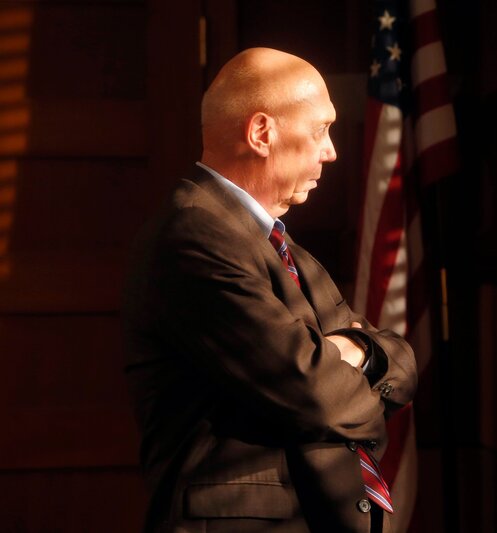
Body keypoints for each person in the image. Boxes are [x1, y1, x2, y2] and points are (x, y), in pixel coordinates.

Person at [122, 47, 417, 533]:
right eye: (320, 129)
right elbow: (316, 394)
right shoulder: (195, 234)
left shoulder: (279, 245)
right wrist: (349, 359)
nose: (331, 151)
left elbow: (401, 361)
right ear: (261, 133)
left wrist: (354, 352)